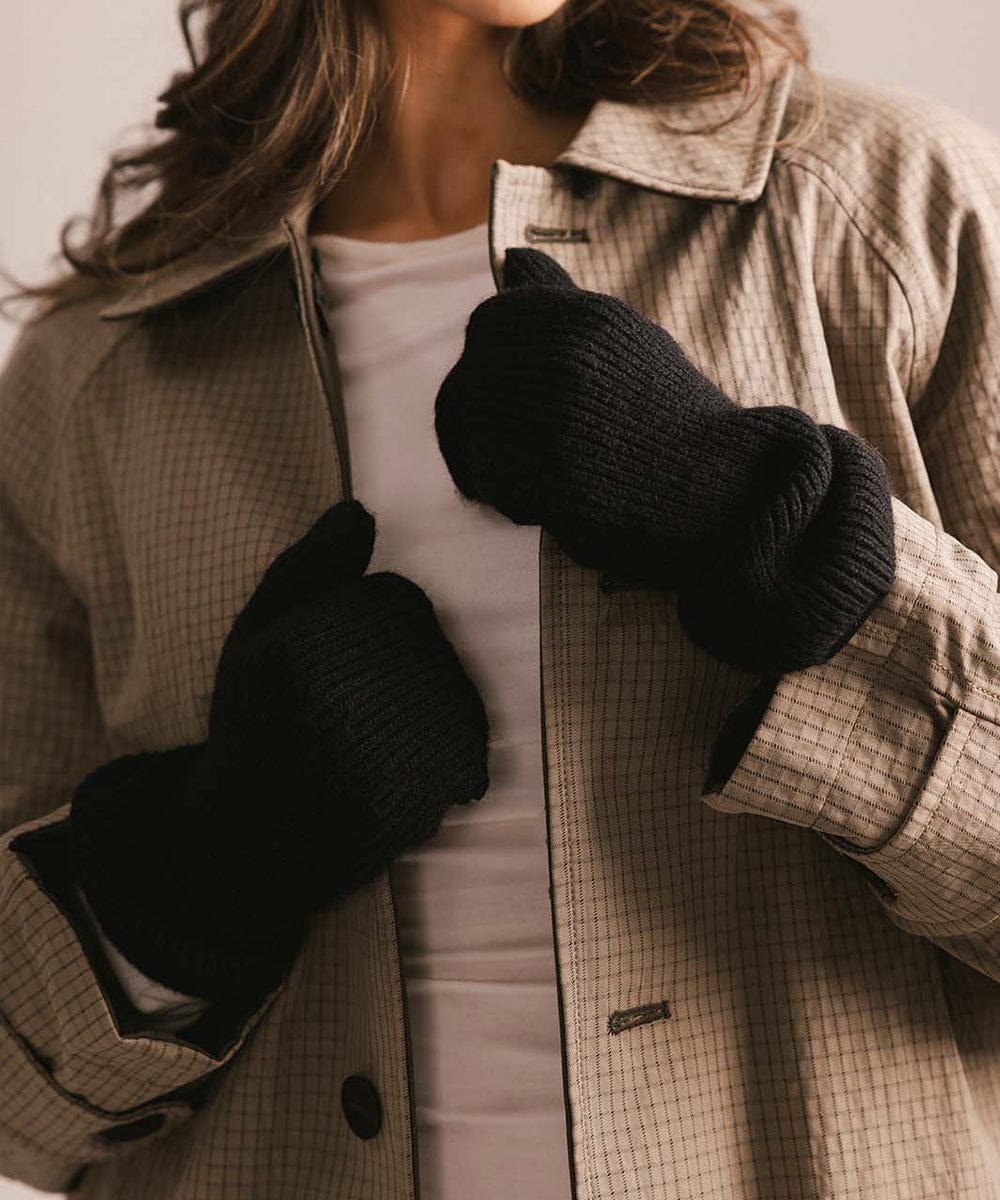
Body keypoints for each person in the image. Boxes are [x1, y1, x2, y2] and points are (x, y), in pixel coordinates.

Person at [1, 0, 998, 1197]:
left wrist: (791, 547)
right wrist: (198, 871)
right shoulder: (96, 367)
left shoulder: (886, 209)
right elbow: (20, 1110)